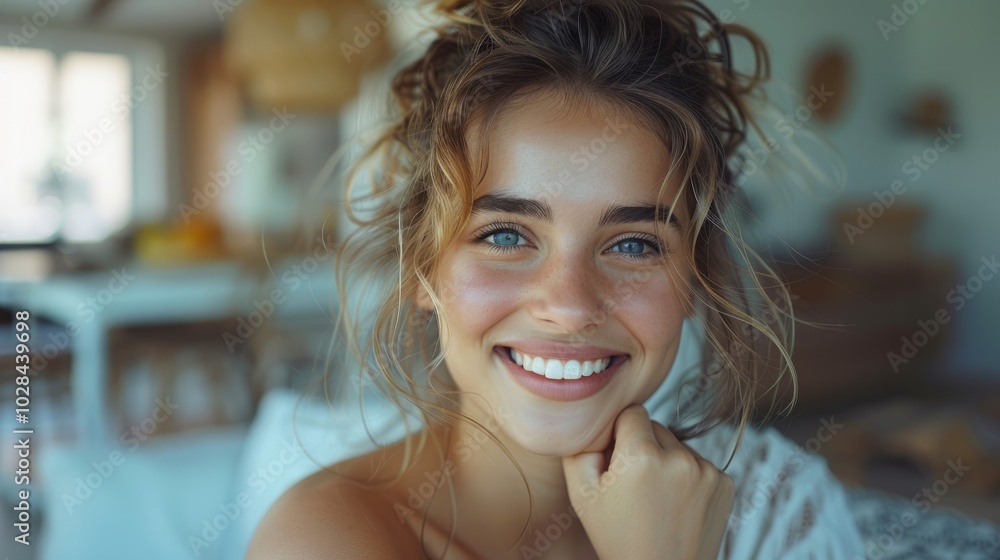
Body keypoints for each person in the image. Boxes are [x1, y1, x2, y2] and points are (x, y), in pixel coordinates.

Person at [248, 0, 866, 557]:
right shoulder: (326, 539)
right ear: (422, 268)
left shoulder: (778, 513)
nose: (570, 307)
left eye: (633, 244)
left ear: (695, 282)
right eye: (506, 236)